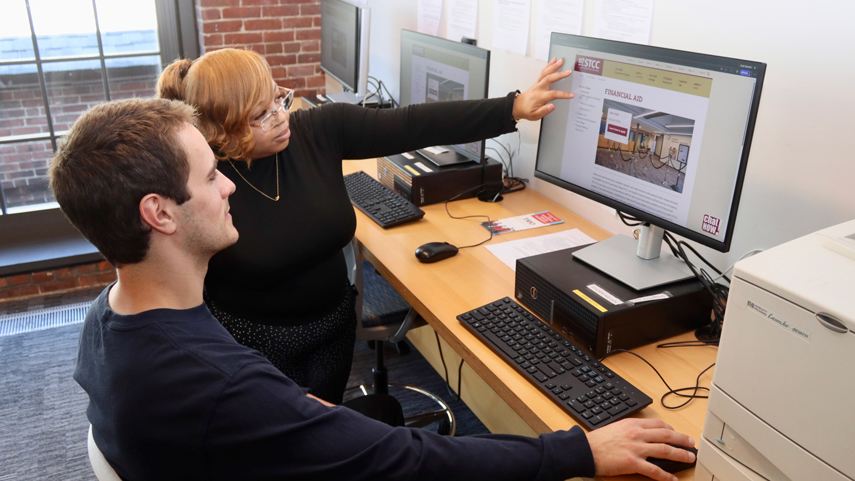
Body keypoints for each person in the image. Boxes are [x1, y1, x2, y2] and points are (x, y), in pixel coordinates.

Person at [54, 97, 696, 481]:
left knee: (379, 412)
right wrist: (575, 452)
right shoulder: (220, 386)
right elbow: (407, 463)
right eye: (209, 175)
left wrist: (293, 407)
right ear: (159, 214)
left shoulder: (109, 319)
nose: (228, 185)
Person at [156, 48, 575, 404]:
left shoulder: (317, 130)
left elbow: (412, 124)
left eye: (279, 100)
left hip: (333, 331)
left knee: (326, 429)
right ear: (223, 130)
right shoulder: (202, 178)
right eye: (261, 115)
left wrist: (512, 108)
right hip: (254, 346)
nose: (281, 117)